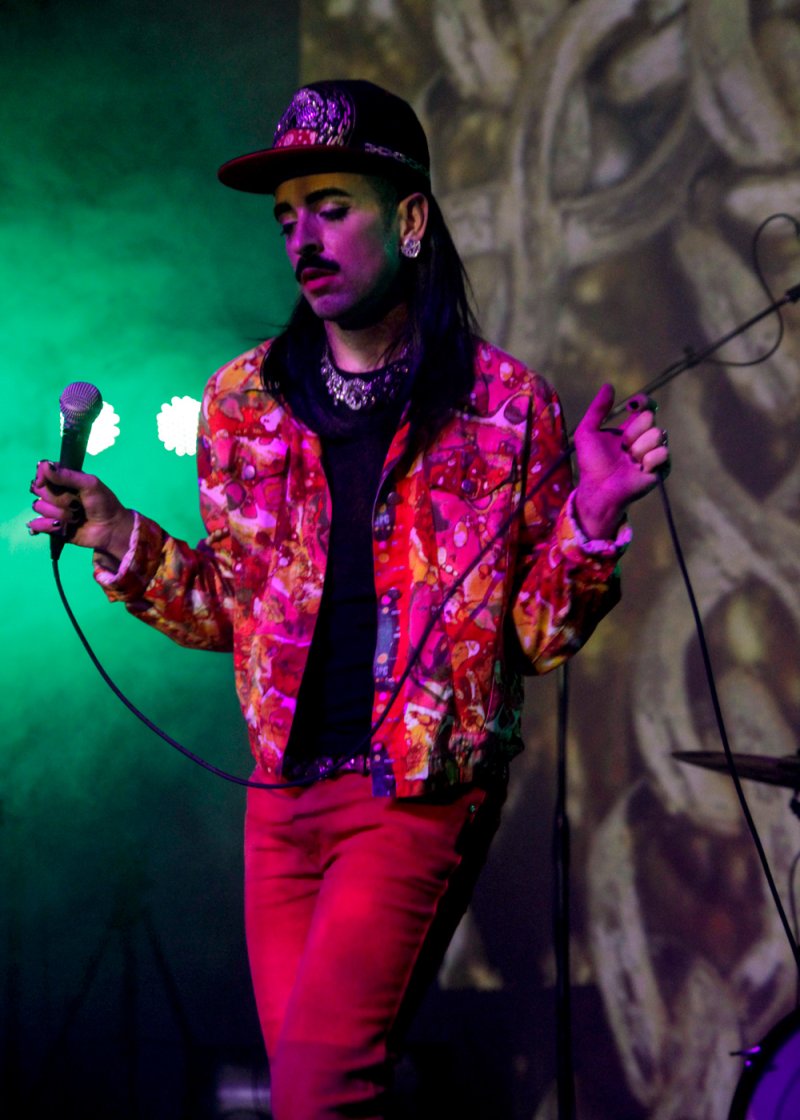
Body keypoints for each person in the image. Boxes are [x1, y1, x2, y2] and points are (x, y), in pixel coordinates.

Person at [29, 80, 669, 1119]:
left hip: (412, 794)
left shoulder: (506, 409)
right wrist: (115, 533)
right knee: (314, 1099)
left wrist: (590, 516)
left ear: (409, 219)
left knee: (318, 1091)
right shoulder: (243, 403)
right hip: (280, 801)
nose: (302, 238)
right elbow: (228, 609)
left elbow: (535, 637)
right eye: (288, 218)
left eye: (330, 207)